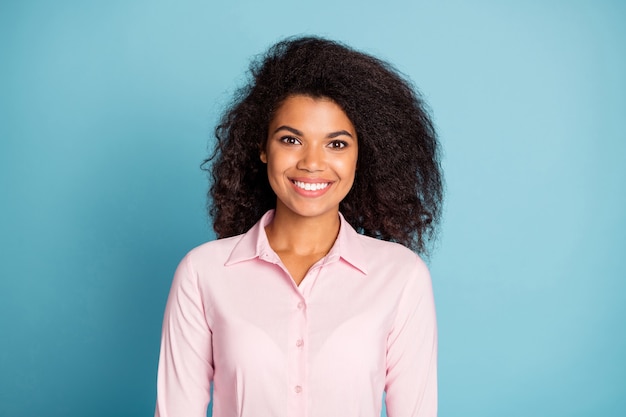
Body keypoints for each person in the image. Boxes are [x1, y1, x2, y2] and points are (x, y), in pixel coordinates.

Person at [155, 36, 444, 417]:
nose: (312, 163)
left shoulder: (402, 277)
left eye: (336, 145)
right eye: (291, 139)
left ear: (363, 154)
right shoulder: (202, 273)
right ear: (262, 147)